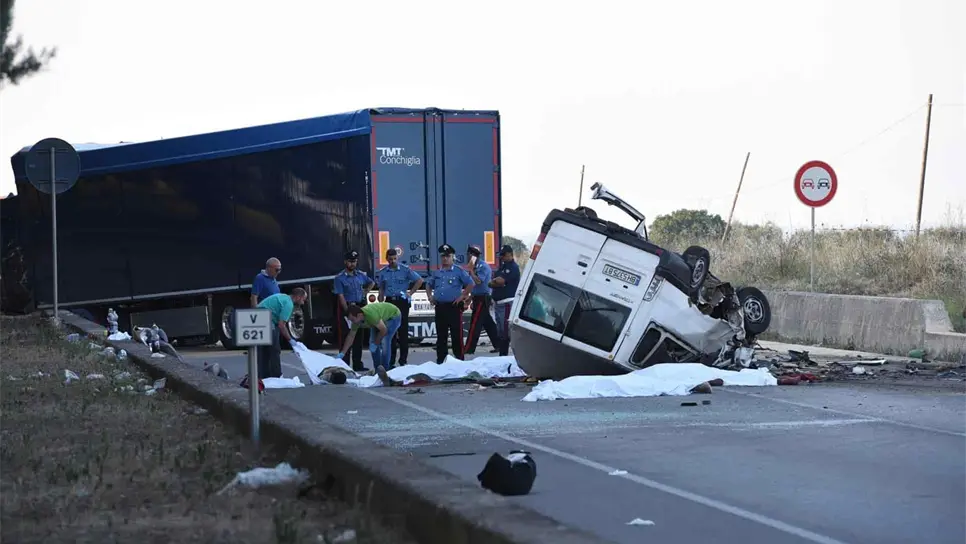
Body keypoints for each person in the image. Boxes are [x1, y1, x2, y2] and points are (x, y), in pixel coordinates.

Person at [240, 288, 308, 388]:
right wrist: (290, 340)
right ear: (298, 297)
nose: (303, 302)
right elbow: (281, 325)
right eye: (303, 299)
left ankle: (261, 376)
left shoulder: (283, 297)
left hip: (257, 317)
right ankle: (276, 376)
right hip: (266, 319)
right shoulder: (289, 304)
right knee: (274, 349)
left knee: (263, 350)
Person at [425, 244, 474, 363]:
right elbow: (428, 284)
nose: (445, 259)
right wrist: (430, 296)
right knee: (441, 336)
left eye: (447, 256)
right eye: (443, 256)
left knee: (456, 335)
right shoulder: (437, 272)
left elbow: (470, 283)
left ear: (452, 257)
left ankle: (459, 360)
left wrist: (463, 296)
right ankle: (441, 361)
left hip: (453, 307)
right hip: (440, 307)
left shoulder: (458, 271)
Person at [376, 248, 424, 366]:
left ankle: (403, 361)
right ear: (386, 259)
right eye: (390, 259)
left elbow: (419, 280)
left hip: (401, 302)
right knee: (390, 332)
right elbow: (381, 287)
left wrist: (410, 293)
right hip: (389, 302)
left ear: (397, 258)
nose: (392, 261)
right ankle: (390, 361)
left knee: (402, 331)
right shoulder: (383, 272)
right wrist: (380, 298)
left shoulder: (405, 270)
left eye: (394, 259)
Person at [339, 302, 400, 384]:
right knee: (372, 342)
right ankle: (378, 369)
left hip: (393, 316)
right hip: (379, 319)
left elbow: (383, 330)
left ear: (359, 315)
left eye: (352, 320)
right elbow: (351, 337)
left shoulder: (371, 315)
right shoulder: (356, 321)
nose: (352, 322)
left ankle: (385, 369)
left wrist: (376, 343)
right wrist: (342, 353)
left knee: (385, 341)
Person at [333, 250, 374, 371]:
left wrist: (366, 291)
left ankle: (357, 364)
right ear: (345, 262)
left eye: (355, 261)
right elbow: (340, 296)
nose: (352, 264)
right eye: (350, 262)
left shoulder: (360, 275)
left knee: (358, 337)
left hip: (360, 307)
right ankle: (344, 364)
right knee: (346, 336)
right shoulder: (340, 278)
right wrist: (347, 312)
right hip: (347, 307)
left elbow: (371, 282)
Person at [463, 245, 502, 356]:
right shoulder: (474, 266)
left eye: (468, 255)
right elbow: (473, 285)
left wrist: (471, 271)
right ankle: (498, 344)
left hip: (483, 298)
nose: (467, 257)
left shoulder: (482, 266)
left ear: (472, 255)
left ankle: (469, 348)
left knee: (475, 323)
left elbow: (479, 281)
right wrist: (470, 297)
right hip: (477, 296)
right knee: (488, 323)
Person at [488, 245, 521, 356]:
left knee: (506, 332)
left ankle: (504, 355)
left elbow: (501, 281)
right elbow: (493, 282)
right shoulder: (502, 267)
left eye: (503, 255)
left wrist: (495, 282)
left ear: (510, 255)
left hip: (507, 302)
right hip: (499, 303)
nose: (501, 257)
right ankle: (502, 354)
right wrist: (494, 281)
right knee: (501, 331)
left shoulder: (512, 267)